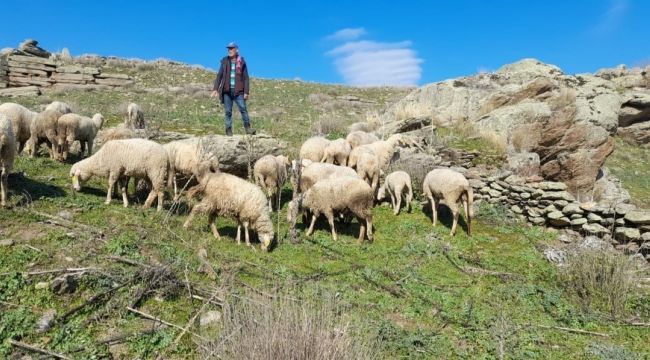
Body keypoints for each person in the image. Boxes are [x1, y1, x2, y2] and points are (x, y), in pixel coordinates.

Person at [211, 42, 255, 136]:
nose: (229, 50)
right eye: (228, 49)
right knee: (228, 112)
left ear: (236, 50)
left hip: (239, 91)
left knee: (243, 109)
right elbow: (219, 75)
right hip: (226, 91)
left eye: (231, 48)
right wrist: (215, 89)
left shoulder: (241, 61)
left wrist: (246, 92)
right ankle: (228, 130)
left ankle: (248, 129)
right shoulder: (224, 61)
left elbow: (246, 78)